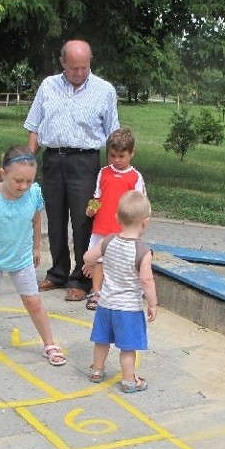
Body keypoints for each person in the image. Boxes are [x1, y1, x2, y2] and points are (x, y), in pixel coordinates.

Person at [24, 39, 120, 302]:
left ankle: (81, 278)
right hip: (53, 160)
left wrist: (115, 174)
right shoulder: (48, 86)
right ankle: (57, 273)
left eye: (85, 67)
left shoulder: (105, 90)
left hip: (85, 163)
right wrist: (26, 163)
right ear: (62, 62)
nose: (79, 73)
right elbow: (34, 126)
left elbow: (113, 133)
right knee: (55, 220)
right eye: (74, 68)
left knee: (83, 221)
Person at [0, 144, 66, 369]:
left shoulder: (33, 193)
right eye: (18, 180)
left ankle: (50, 344)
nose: (23, 186)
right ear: (3, 173)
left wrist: (37, 248)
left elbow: (36, 221)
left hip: (21, 258)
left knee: (33, 302)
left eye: (29, 180)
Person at [82, 190, 157, 393]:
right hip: (128, 309)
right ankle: (129, 380)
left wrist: (89, 263)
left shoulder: (108, 241)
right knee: (127, 347)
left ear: (117, 218)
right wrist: (152, 303)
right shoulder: (143, 251)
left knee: (102, 340)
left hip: (105, 304)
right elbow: (146, 280)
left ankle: (97, 370)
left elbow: (89, 256)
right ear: (145, 222)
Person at [84, 127, 146, 311]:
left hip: (123, 229)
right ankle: (96, 292)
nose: (117, 160)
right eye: (112, 156)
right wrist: (92, 209)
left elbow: (140, 202)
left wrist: (140, 225)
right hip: (101, 226)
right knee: (98, 261)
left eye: (121, 156)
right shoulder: (103, 172)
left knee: (122, 261)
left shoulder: (135, 177)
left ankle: (122, 292)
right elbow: (98, 195)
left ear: (131, 154)